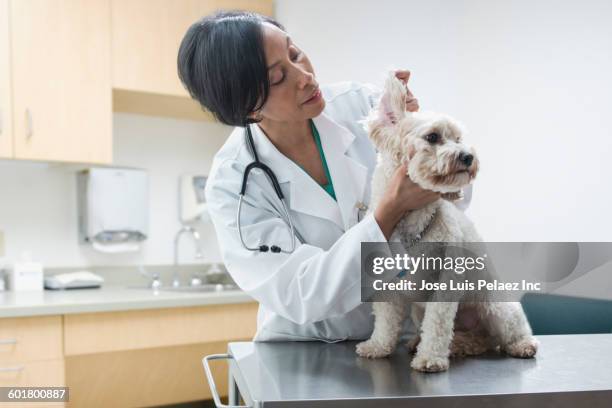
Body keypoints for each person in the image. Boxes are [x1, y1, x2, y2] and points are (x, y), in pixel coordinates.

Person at [177, 11, 470, 341]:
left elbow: (457, 198)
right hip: (306, 349)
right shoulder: (234, 183)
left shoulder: (364, 106)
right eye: (278, 78)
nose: (304, 76)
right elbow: (303, 294)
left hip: (400, 339)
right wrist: (388, 212)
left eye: (295, 53)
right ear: (248, 107)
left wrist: (427, 149)